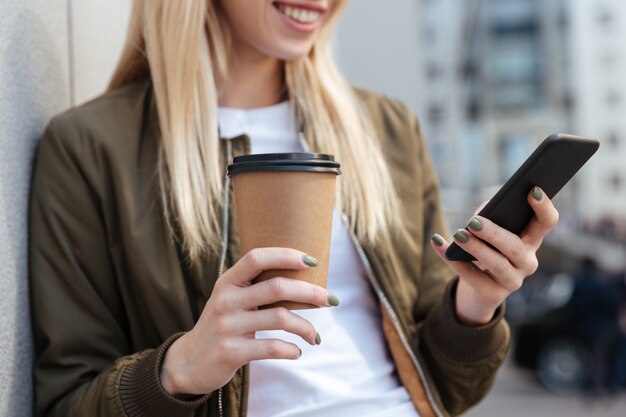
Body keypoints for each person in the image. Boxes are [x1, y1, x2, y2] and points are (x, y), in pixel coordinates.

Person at [28, 1, 559, 417]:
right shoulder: (91, 149)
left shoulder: (387, 129)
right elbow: (68, 400)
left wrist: (476, 302)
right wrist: (180, 368)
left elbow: (448, 389)